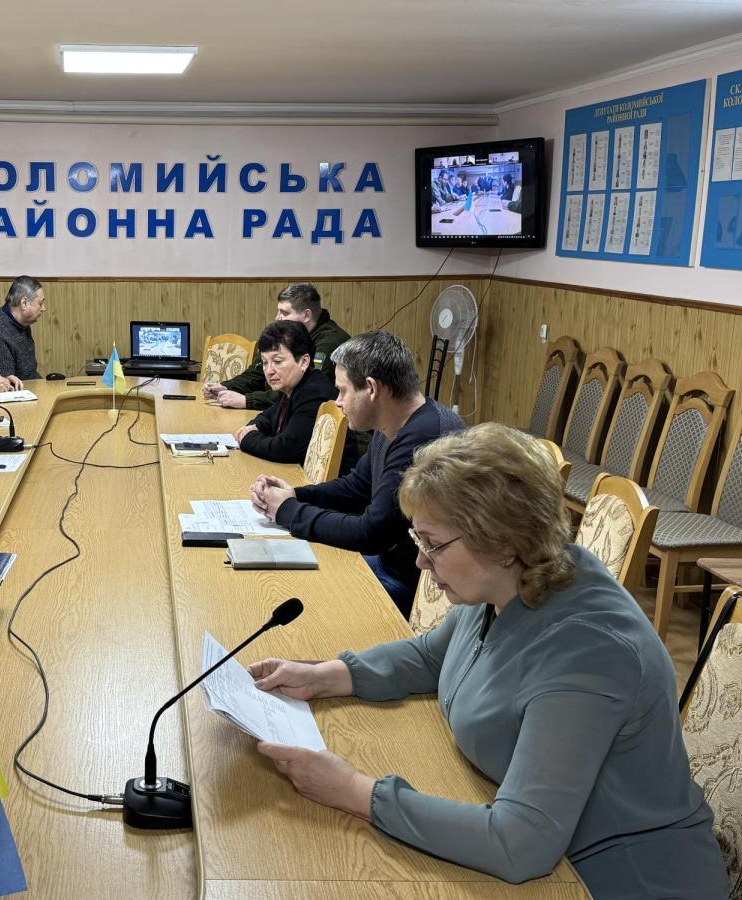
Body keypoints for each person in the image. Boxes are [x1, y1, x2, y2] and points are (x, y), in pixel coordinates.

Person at [248, 423, 729, 899]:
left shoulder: (590, 653)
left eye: (433, 544)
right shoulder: (511, 579)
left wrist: (353, 791)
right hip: (542, 847)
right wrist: (322, 676)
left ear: (500, 540)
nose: (420, 562)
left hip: (619, 878)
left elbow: (520, 844)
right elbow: (431, 657)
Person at [250, 331, 463, 615]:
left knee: (291, 594)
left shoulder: (422, 439)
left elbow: (371, 533)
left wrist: (287, 510)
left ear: (371, 388)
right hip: (389, 564)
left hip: (411, 585)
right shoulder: (395, 422)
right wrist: (294, 495)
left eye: (342, 391)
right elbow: (356, 487)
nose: (338, 401)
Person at [203, 282, 349, 412]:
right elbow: (256, 373)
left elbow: (301, 390)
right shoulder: (284, 335)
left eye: (284, 313)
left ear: (306, 315)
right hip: (275, 411)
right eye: (278, 311)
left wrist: (247, 400)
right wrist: (227, 387)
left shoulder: (330, 342)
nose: (277, 317)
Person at [232, 320, 336, 466]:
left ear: (304, 361)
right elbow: (269, 415)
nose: (269, 371)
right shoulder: (291, 385)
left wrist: (247, 438)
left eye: (278, 361)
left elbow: (284, 449)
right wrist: (254, 426)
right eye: (265, 362)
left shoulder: (314, 394)